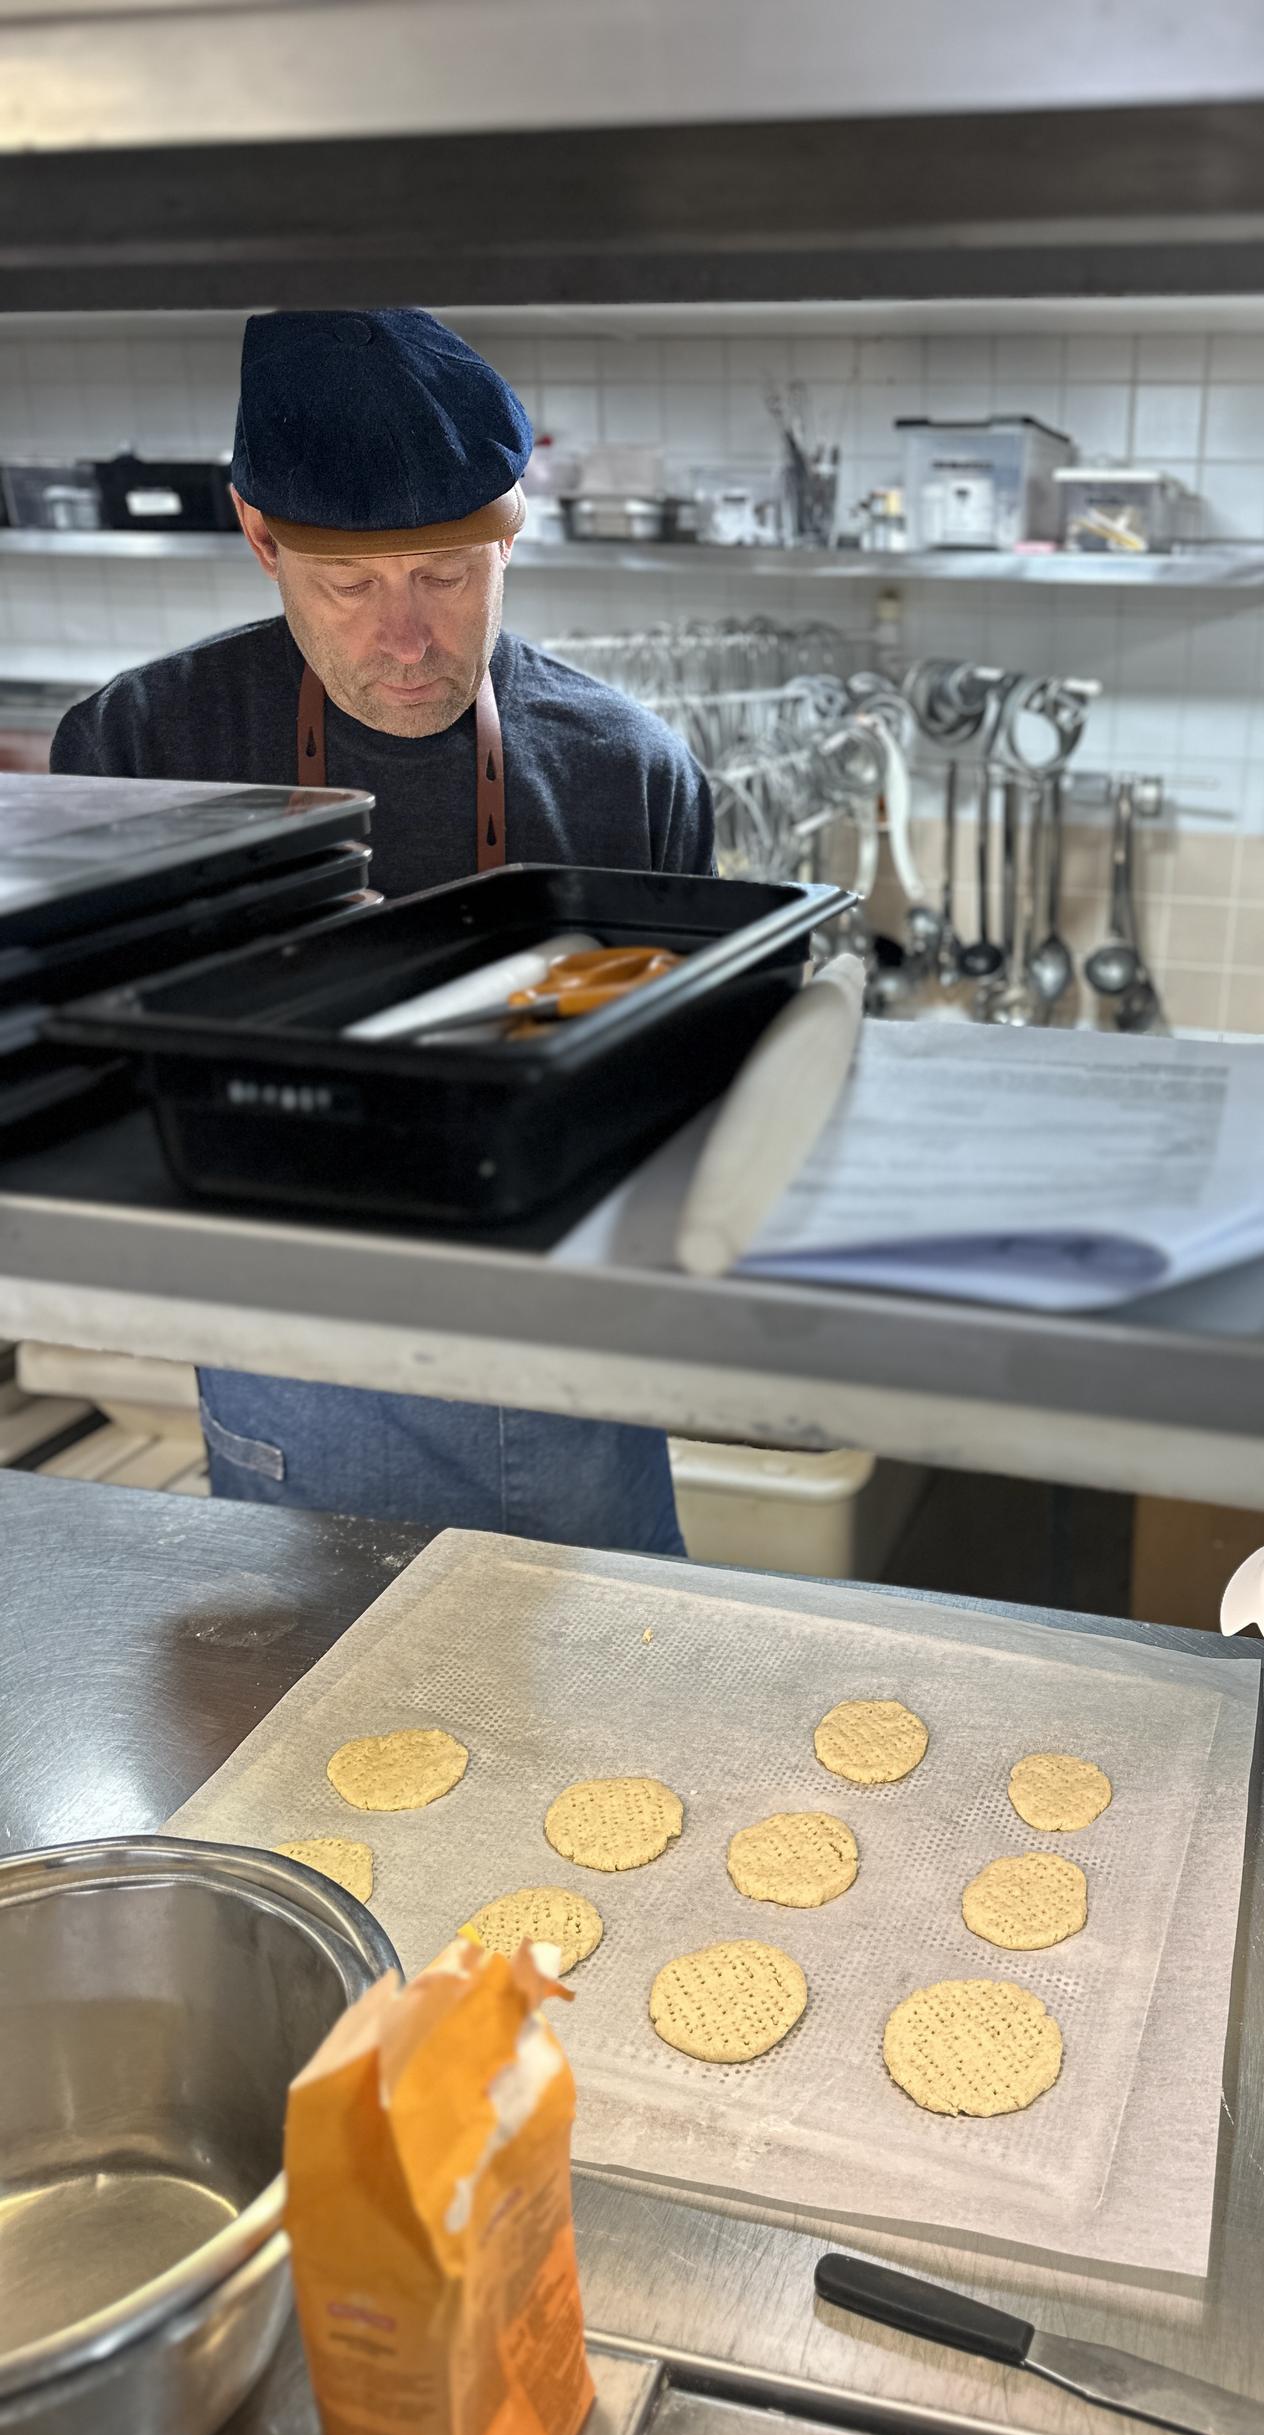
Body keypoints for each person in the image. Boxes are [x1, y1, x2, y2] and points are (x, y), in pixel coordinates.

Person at [52, 307, 713, 1553]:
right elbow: (84, 1102)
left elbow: (690, 1120)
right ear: (259, 536)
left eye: (448, 576)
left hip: (572, 1381)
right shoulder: (144, 751)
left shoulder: (632, 772)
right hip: (297, 1370)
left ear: (514, 529)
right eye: (349, 583)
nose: (406, 640)